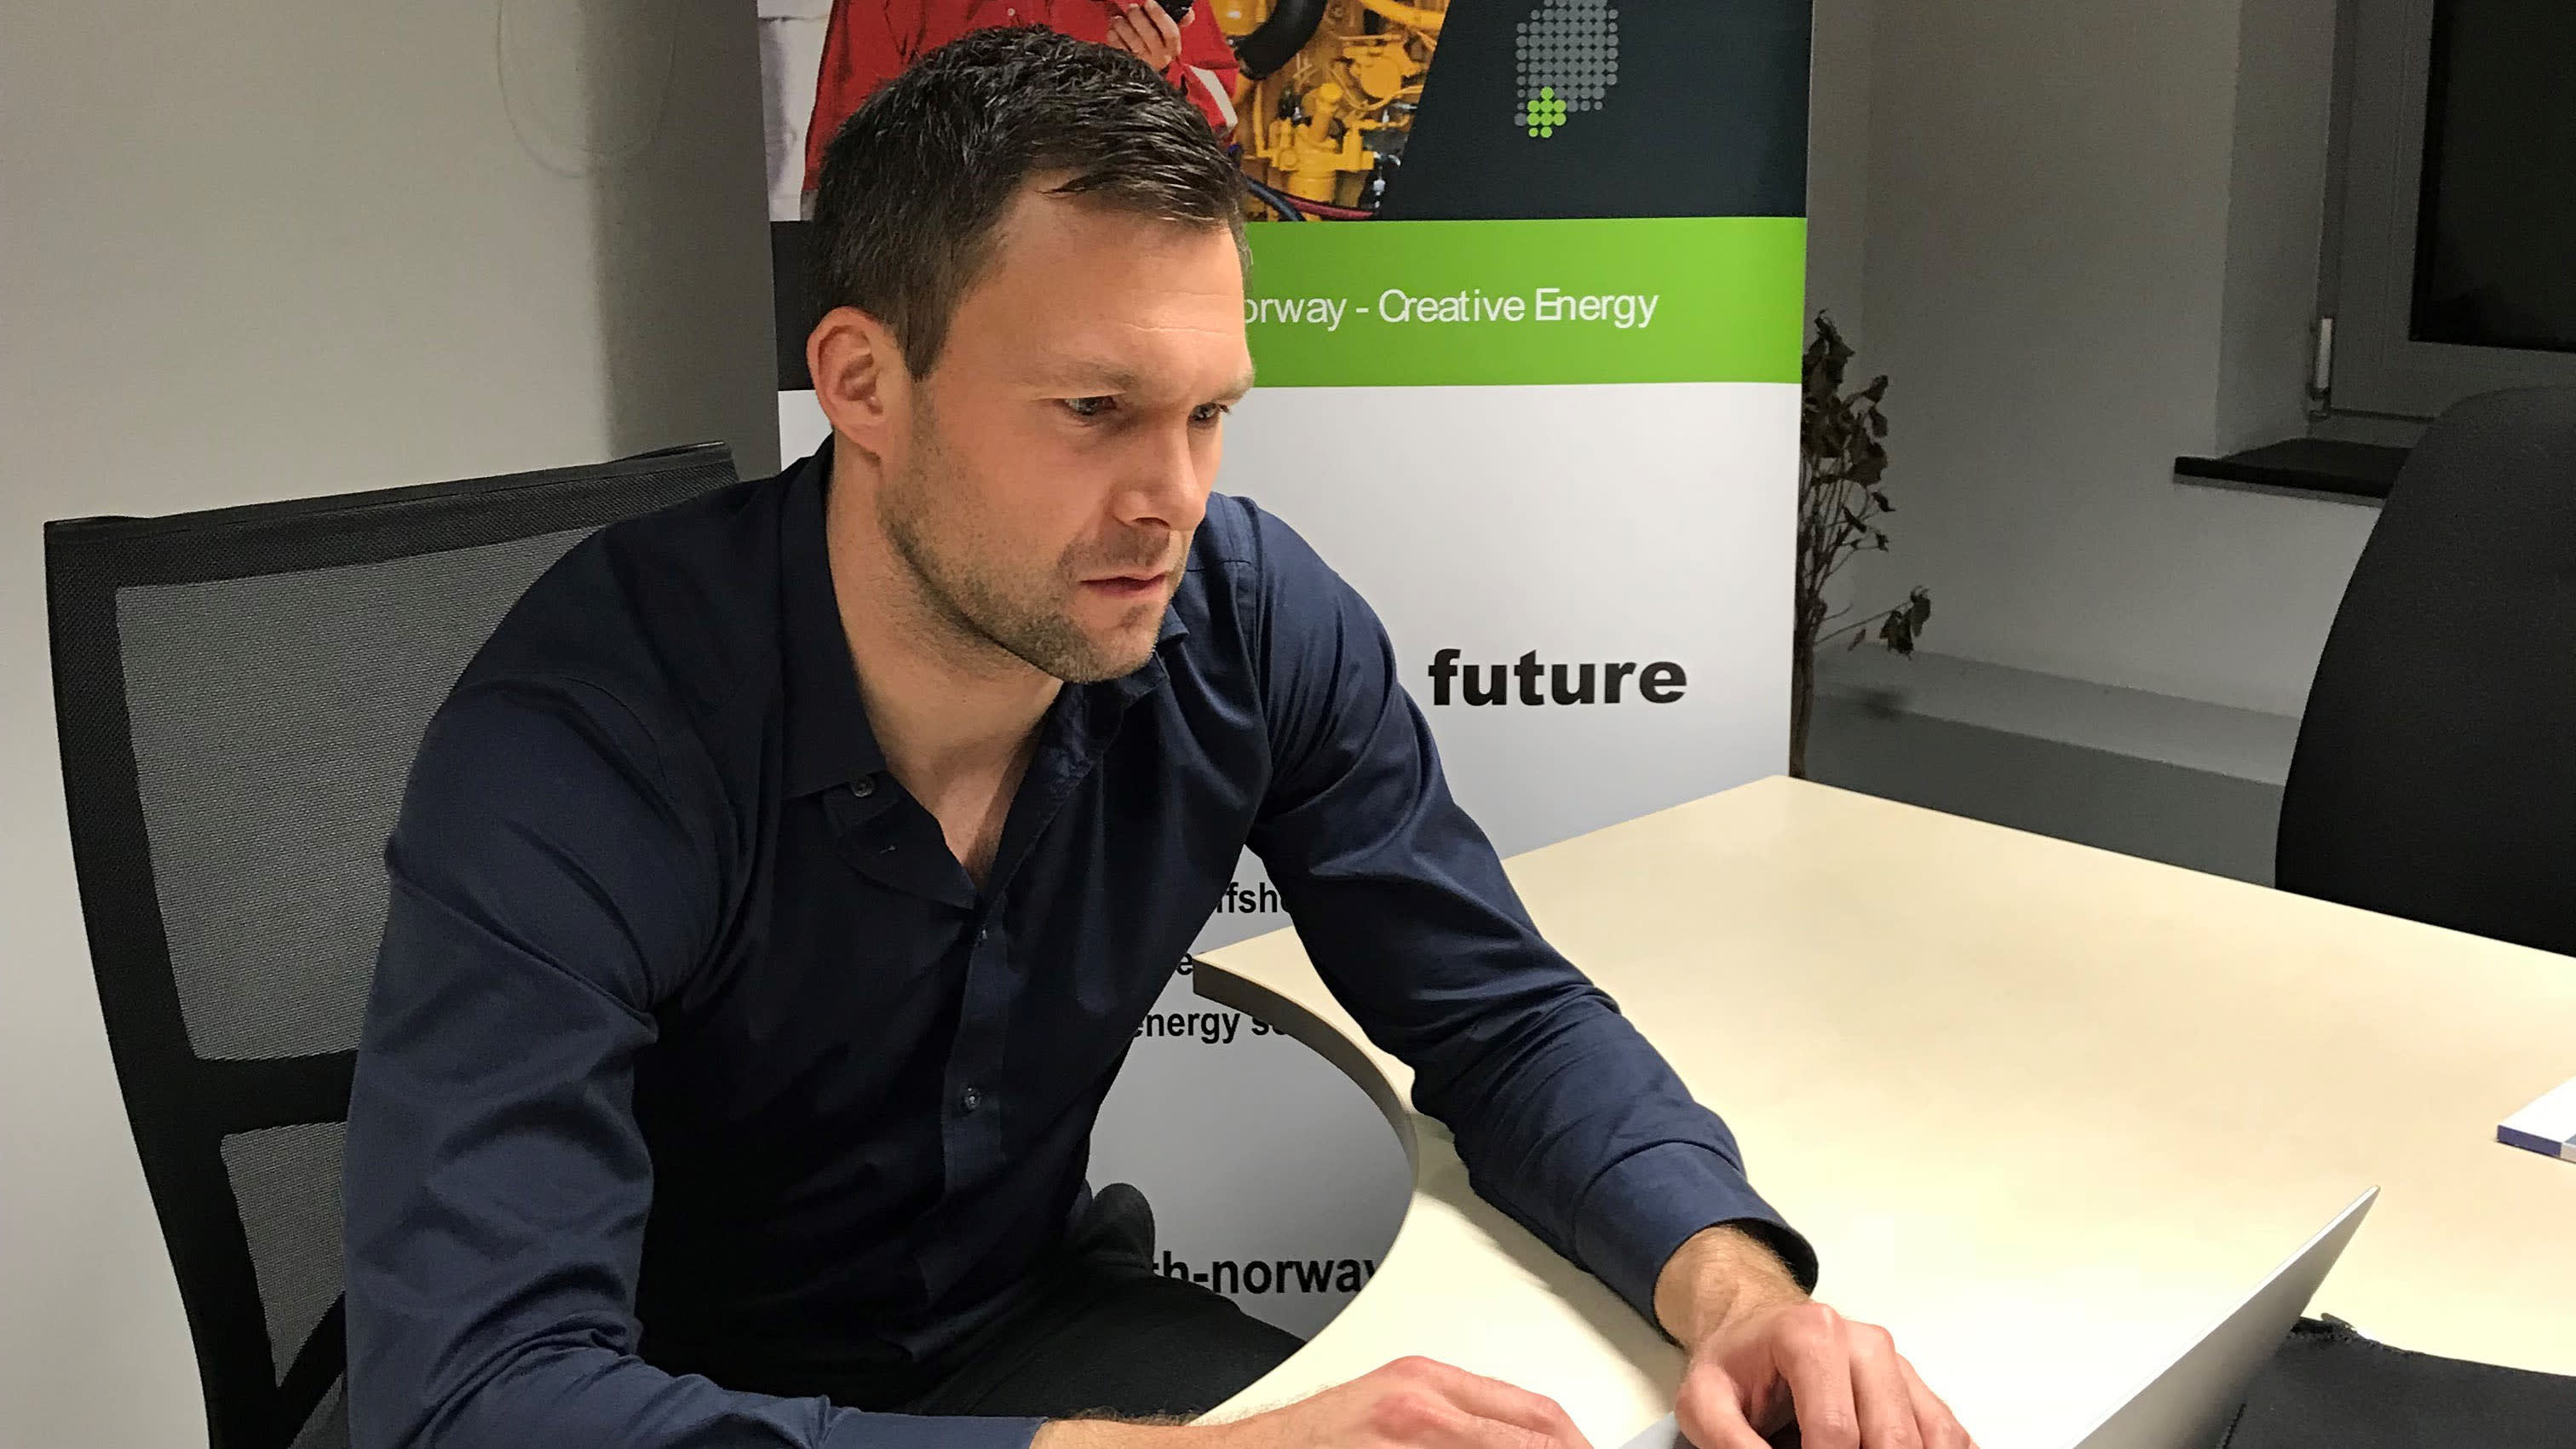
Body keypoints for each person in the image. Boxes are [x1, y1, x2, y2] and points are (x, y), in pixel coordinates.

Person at [343, 26, 1971, 1449]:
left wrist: (1737, 1292)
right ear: (861, 383)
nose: (1170, 500)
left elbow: (1496, 1016)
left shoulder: (1244, 628)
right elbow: (478, 1400)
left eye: (1205, 414)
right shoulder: (586, 740)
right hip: (668, 1403)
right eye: (1093, 411)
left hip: (1031, 1339)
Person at [801, 2, 1239, 204]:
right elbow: (842, 158)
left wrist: (1155, 79)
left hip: (1110, 244)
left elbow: (1216, 117)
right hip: (947, 256)